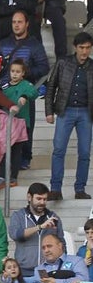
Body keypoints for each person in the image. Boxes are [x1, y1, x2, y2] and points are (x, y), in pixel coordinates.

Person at [44, 32, 93, 201]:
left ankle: (80, 189)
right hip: (65, 110)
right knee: (59, 150)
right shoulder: (63, 62)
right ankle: (55, 188)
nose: (84, 51)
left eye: (87, 48)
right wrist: (49, 111)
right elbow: (51, 86)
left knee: (85, 152)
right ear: (75, 47)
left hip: (86, 111)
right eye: (81, 47)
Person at [10, 184, 64, 274]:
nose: (42, 202)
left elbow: (61, 242)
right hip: (24, 269)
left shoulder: (53, 217)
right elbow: (16, 235)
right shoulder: (18, 215)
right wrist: (40, 227)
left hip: (46, 269)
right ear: (29, 197)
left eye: (45, 199)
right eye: (38, 199)